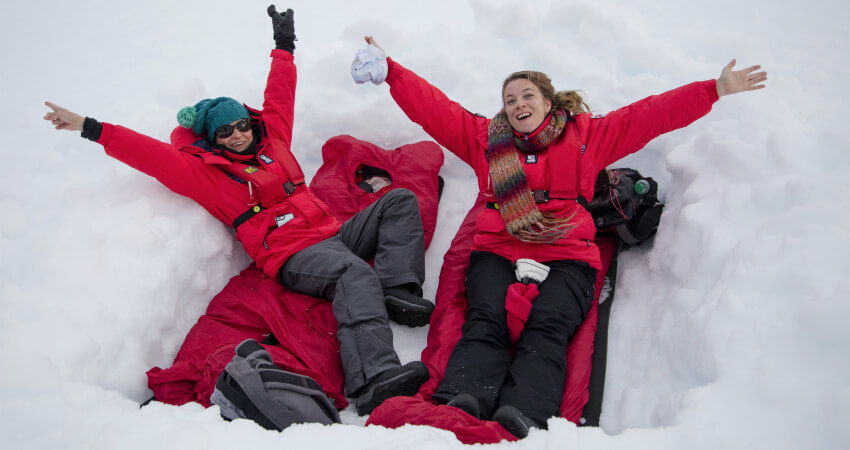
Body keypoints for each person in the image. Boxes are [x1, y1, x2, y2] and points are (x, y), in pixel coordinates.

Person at [352, 36, 766, 437]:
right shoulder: (485, 141)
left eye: (527, 96)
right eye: (510, 99)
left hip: (567, 254)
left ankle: (526, 413)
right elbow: (434, 108)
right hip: (497, 250)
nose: (518, 105)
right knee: (485, 321)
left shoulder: (587, 135)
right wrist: (391, 71)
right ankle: (465, 397)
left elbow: (651, 114)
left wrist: (713, 89)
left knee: (547, 329)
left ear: (548, 103)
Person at [43, 6, 434, 416]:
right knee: (353, 274)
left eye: (241, 125)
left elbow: (280, 93)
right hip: (291, 255)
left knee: (399, 200)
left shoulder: (273, 141)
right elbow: (150, 155)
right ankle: (372, 379)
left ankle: (395, 290)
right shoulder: (208, 174)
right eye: (224, 132)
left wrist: (284, 45)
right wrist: (89, 127)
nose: (237, 135)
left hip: (332, 233)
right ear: (214, 139)